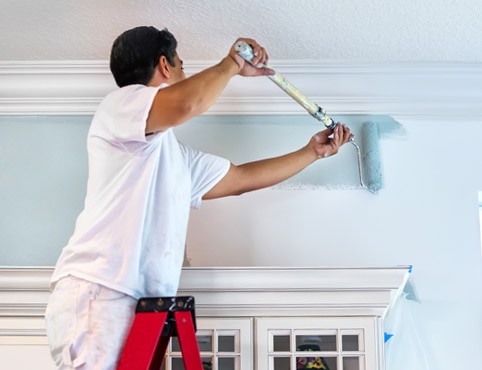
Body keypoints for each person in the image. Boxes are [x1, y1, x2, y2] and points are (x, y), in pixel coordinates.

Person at [45, 26, 353, 370]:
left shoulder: (175, 159)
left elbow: (241, 178)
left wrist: (312, 152)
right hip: (101, 289)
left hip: (139, 304)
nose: (184, 73)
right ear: (164, 66)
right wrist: (232, 63)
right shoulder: (119, 107)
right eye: (181, 65)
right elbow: (188, 102)